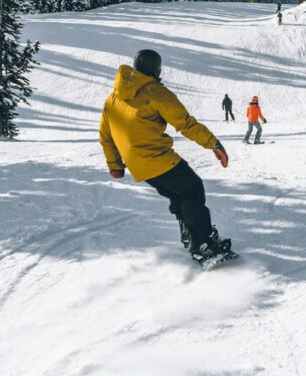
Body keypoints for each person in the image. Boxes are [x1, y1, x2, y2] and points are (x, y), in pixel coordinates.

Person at [99, 49, 233, 266]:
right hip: (156, 157)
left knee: (179, 194)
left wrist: (115, 165)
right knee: (192, 189)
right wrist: (213, 144)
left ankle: (190, 233)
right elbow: (185, 123)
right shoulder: (155, 92)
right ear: (156, 69)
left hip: (138, 166)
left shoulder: (113, 97)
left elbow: (105, 135)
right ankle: (202, 243)